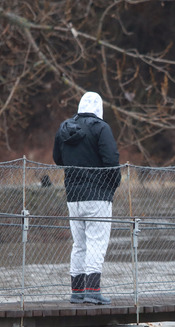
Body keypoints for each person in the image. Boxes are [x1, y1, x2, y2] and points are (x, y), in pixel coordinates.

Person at [53, 91, 122, 305]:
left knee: (79, 244)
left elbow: (58, 159)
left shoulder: (64, 128)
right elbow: (112, 161)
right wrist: (112, 186)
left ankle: (77, 291)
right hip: (97, 196)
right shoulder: (101, 128)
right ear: (99, 108)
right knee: (96, 243)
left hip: (73, 197)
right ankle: (93, 290)